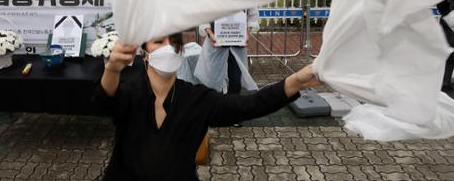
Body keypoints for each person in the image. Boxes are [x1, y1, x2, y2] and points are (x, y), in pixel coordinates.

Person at [93, 34, 318, 181]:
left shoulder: (196, 98)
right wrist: (112, 69)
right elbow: (106, 102)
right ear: (145, 52)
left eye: (174, 44)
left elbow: (250, 105)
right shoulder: (131, 91)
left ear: (181, 52)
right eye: (159, 42)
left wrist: (296, 80)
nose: (168, 49)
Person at [195, 0, 259, 95]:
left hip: (237, 43)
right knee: (213, 79)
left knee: (235, 79)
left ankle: (231, 108)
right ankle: (215, 108)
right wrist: (210, 34)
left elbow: (252, 15)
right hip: (216, 42)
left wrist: (248, 33)